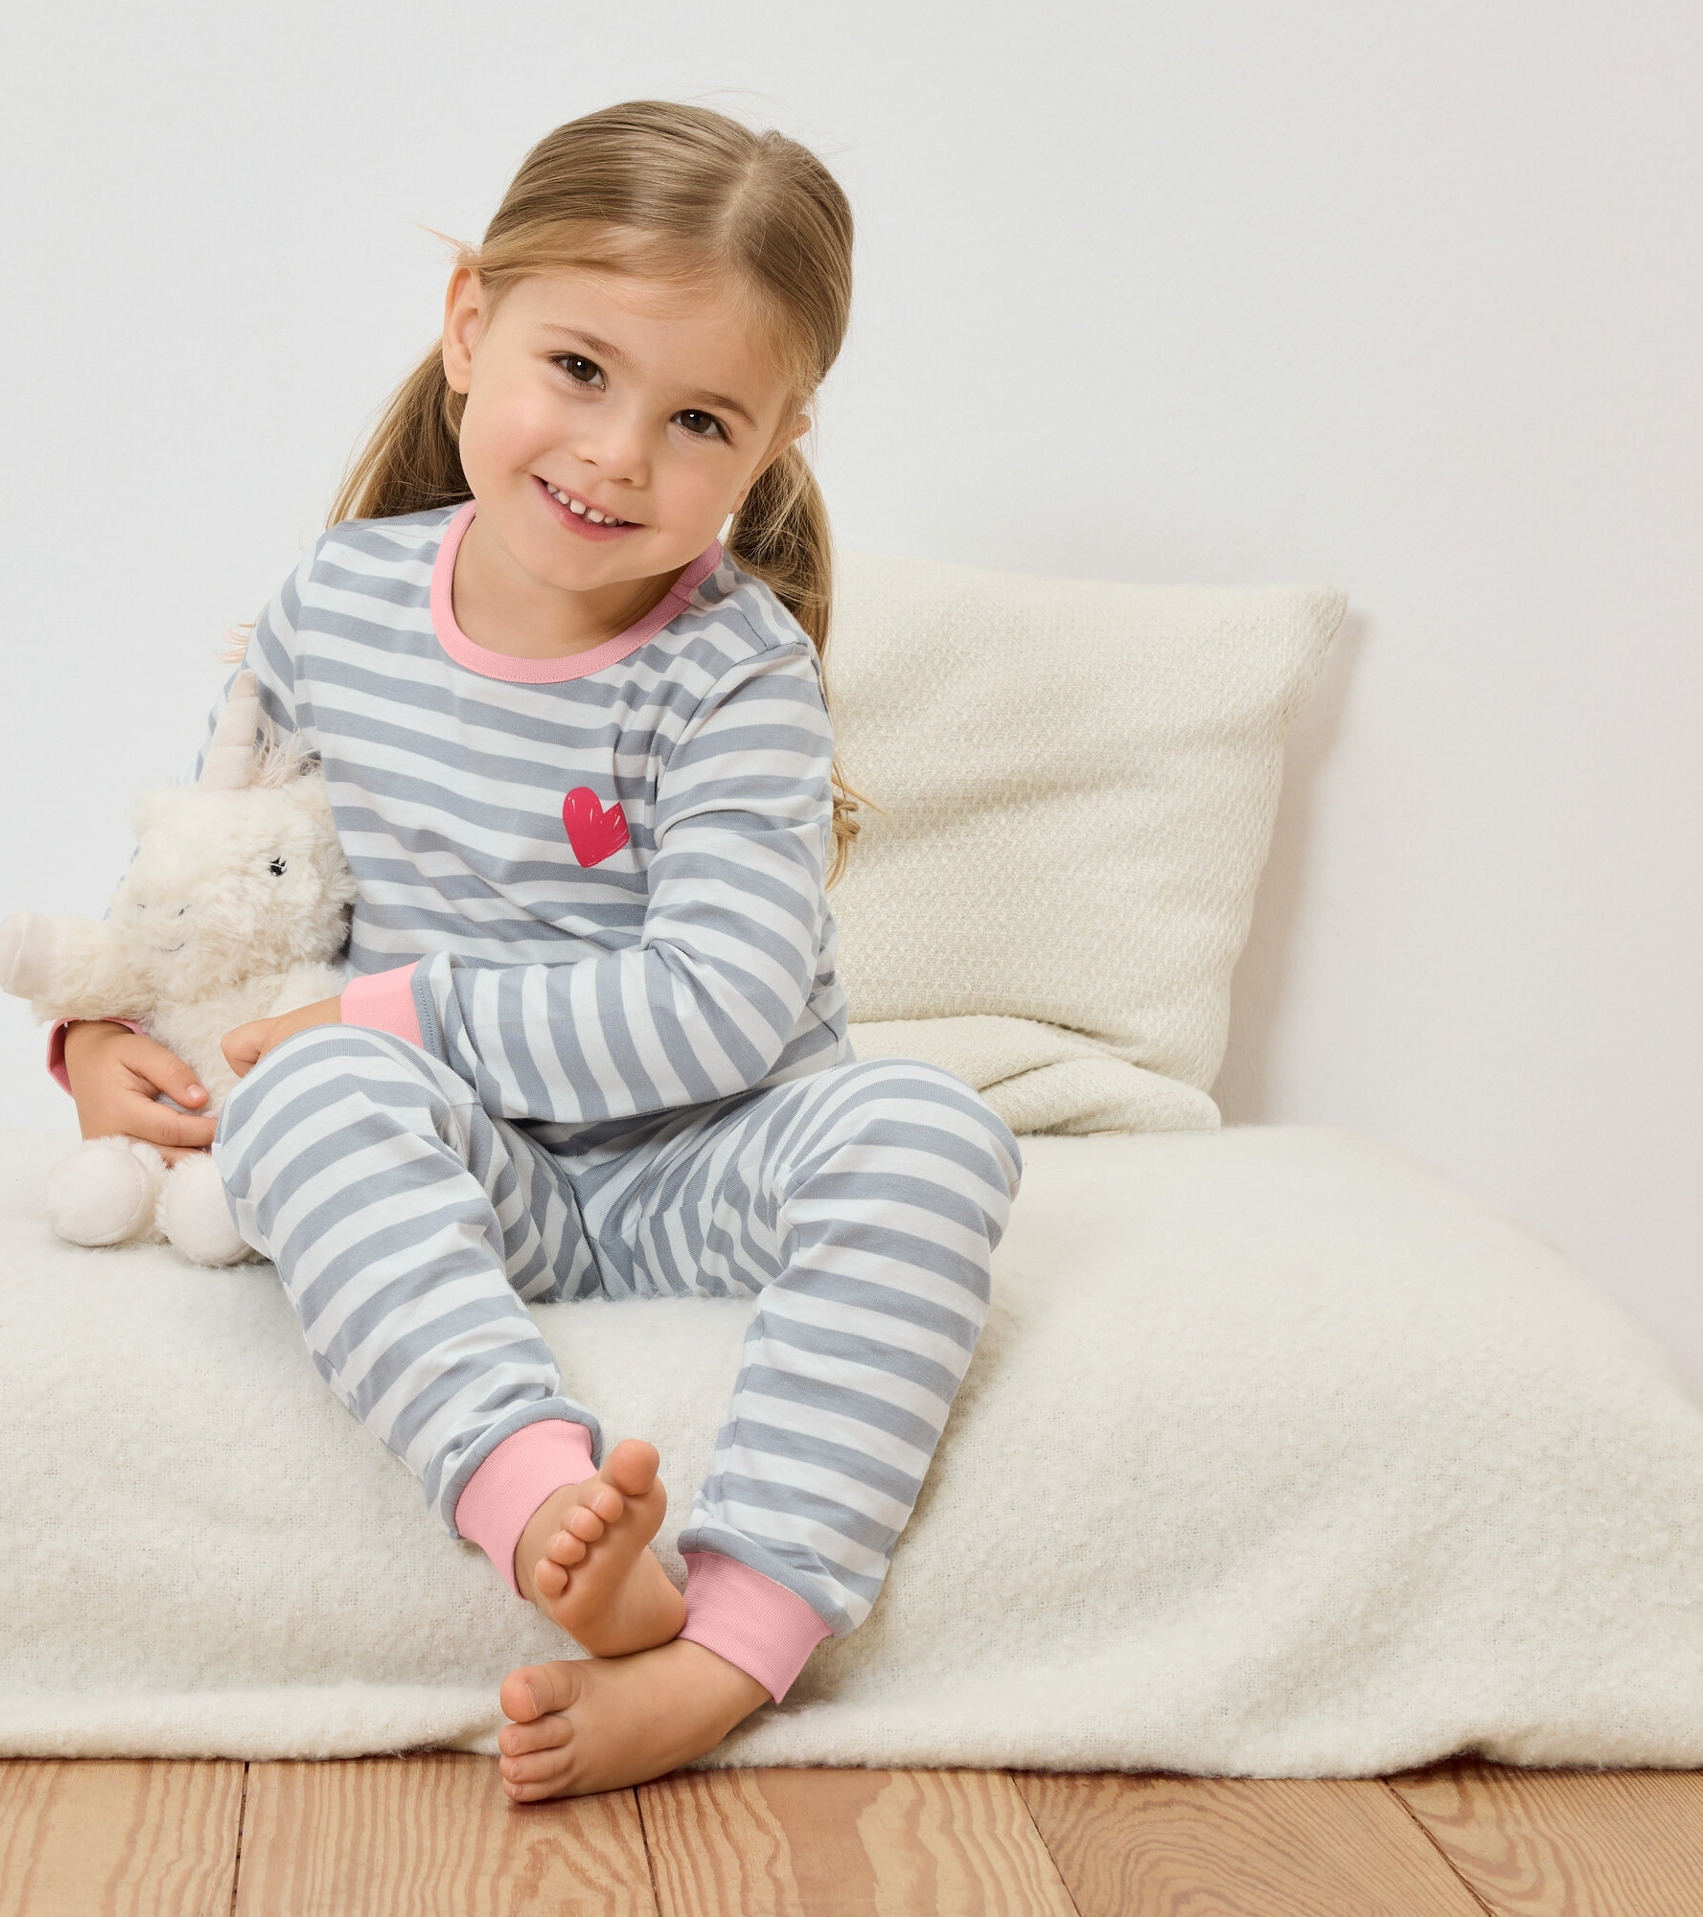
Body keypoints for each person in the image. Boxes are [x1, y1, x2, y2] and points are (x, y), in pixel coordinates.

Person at [58, 99, 1020, 1801]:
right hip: (471, 1162)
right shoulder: (334, 607)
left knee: (931, 1131)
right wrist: (104, 1040)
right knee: (308, 1106)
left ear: (777, 443)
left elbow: (719, 1010)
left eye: (697, 416)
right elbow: (223, 876)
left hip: (704, 1157)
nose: (615, 453)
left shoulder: (730, 677)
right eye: (577, 369)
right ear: (466, 326)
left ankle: (727, 1643)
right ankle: (537, 1501)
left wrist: (389, 1005)